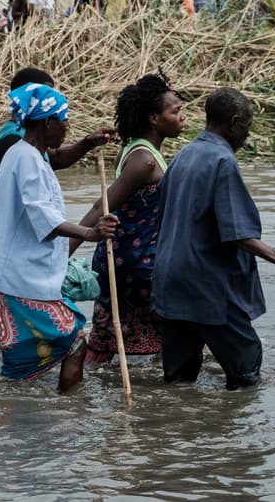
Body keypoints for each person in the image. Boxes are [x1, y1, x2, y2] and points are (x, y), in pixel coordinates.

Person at [152, 88, 275, 389]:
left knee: (178, 378)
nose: (247, 136)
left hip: (171, 280)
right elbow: (238, 231)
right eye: (248, 128)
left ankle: (173, 430)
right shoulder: (222, 161)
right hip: (207, 284)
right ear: (235, 122)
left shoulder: (183, 155)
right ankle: (237, 434)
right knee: (246, 365)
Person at [0, 82, 118, 390]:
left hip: (14, 276)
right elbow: (45, 219)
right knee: (74, 339)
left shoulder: (30, 154)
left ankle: (12, 413)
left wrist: (88, 143)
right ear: (48, 122)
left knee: (21, 366)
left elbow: (59, 159)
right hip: (17, 278)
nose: (66, 127)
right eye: (64, 120)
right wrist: (91, 232)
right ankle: (67, 414)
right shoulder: (26, 158)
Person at [79, 73, 184, 366]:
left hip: (121, 260)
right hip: (139, 266)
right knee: (183, 333)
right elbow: (103, 205)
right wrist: (68, 245)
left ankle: (76, 390)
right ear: (153, 118)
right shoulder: (144, 160)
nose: (182, 117)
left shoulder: (136, 150)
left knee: (105, 341)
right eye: (175, 111)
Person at [0, 68, 115, 174]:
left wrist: (89, 142)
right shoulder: (12, 139)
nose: (51, 98)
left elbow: (55, 158)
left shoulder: (28, 136)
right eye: (46, 93)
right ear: (29, 94)